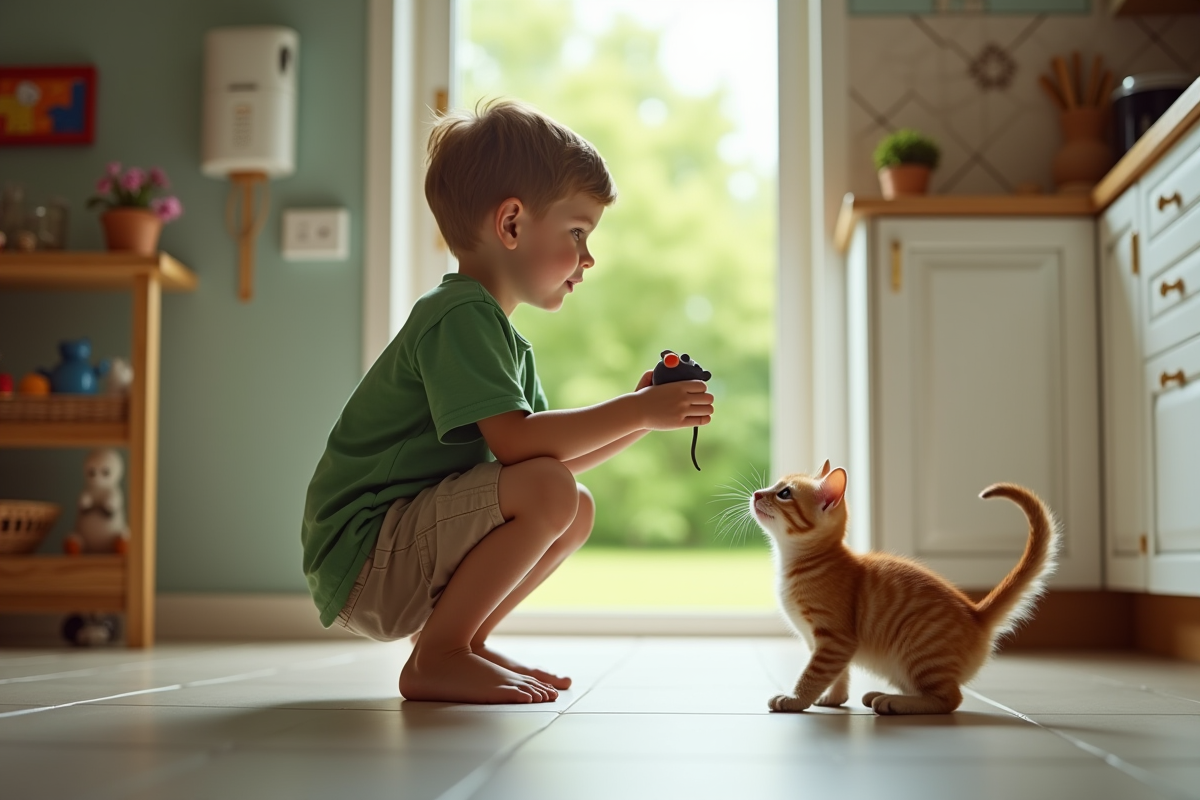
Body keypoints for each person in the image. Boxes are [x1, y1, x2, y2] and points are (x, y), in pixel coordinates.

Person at [301, 100, 714, 704]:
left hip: (394, 552)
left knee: (573, 505)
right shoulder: (460, 314)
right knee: (553, 492)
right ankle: (438, 657)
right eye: (577, 233)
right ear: (513, 225)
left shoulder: (499, 337)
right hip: (366, 553)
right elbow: (520, 447)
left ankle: (458, 643)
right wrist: (638, 412)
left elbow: (548, 466)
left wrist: (641, 414)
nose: (589, 258)